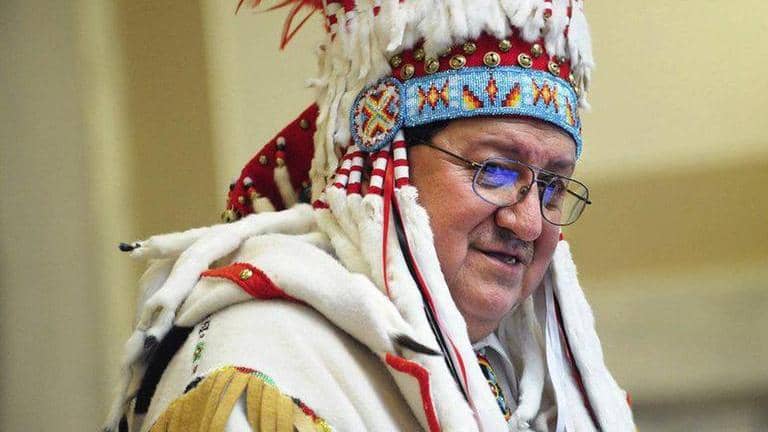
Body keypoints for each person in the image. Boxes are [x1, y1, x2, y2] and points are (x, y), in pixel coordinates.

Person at [103, 1, 636, 431]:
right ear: (383, 168)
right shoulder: (263, 367)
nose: (529, 223)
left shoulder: (523, 382)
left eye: (552, 188)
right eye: (494, 171)